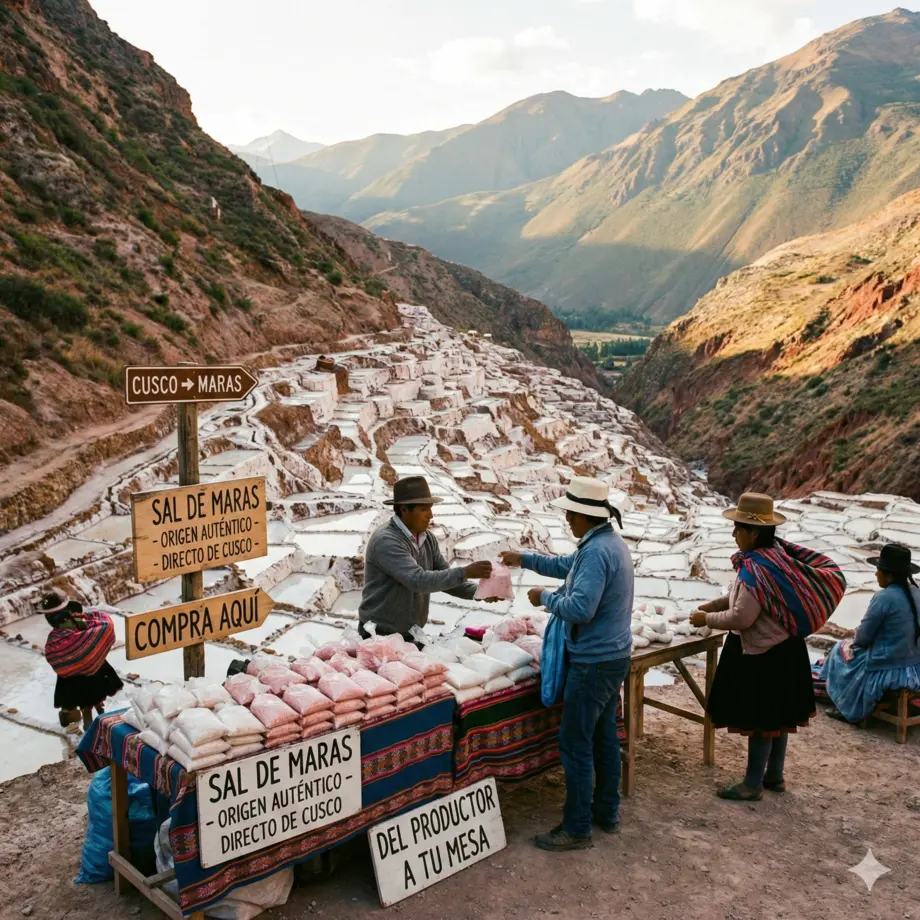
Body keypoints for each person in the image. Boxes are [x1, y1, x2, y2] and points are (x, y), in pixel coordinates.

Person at [500, 476, 632, 852]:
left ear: (583, 515)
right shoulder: (608, 543)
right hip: (614, 655)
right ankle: (606, 812)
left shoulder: (595, 552)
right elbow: (564, 566)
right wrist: (523, 558)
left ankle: (576, 827)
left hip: (593, 662)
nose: (568, 520)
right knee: (604, 736)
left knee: (575, 742)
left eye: (571, 514)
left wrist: (544, 598)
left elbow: (580, 608)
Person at [690, 492, 846, 801]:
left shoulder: (756, 569)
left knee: (761, 721)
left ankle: (751, 784)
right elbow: (741, 596)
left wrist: (705, 617)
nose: (734, 534)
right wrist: (712, 603)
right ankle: (774, 775)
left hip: (765, 655)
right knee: (778, 719)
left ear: (753, 532)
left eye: (738, 528)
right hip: (787, 651)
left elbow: (742, 616)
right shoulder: (774, 558)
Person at [359, 476, 493, 641]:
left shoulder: (427, 538)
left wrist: (480, 592)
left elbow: (443, 575)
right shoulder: (386, 540)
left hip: (410, 634)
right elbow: (418, 581)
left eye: (430, 508)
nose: (430, 515)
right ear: (404, 510)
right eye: (423, 509)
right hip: (379, 636)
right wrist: (466, 572)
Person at [822, 543, 920, 724]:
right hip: (915, 667)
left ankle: (846, 707)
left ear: (889, 575)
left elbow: (863, 639)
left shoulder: (884, 598)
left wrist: (854, 638)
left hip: (887, 669)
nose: (876, 574)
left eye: (879, 570)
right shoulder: (917, 594)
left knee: (839, 650)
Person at [40, 592, 123, 731]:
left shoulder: (55, 639)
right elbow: (99, 628)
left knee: (87, 708)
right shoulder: (76, 620)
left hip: (74, 679)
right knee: (94, 705)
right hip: (93, 674)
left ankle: (92, 736)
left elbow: (54, 655)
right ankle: (102, 730)